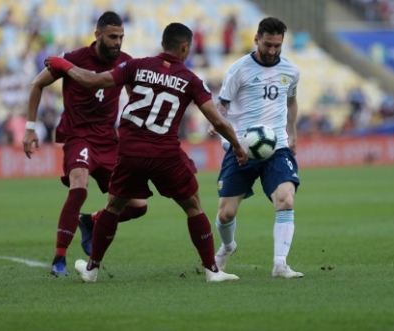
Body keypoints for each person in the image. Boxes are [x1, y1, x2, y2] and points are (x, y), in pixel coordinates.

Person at [45, 22, 249, 283]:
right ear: (185, 47)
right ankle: (212, 271)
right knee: (193, 206)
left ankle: (92, 269)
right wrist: (237, 145)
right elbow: (218, 120)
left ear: (163, 43)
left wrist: (64, 65)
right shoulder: (190, 79)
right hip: (165, 154)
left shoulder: (136, 65)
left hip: (129, 152)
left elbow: (92, 79)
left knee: (114, 206)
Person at [23, 11, 148, 276]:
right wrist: (30, 128)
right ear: (98, 35)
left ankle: (90, 221)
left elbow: (135, 100)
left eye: (121, 37)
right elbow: (36, 85)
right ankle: (59, 259)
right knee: (79, 186)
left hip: (108, 141)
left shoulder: (126, 63)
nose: (118, 42)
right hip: (77, 135)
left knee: (138, 206)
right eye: (113, 36)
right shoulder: (74, 58)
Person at [208, 17, 303, 278]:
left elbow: (291, 101)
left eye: (277, 46)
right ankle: (228, 246)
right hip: (241, 147)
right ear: (257, 40)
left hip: (277, 147)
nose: (272, 51)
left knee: (285, 199)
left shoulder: (291, 71)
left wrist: (292, 134)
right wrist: (217, 122)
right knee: (226, 213)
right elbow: (222, 104)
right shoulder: (239, 70)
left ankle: (280, 264)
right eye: (268, 44)